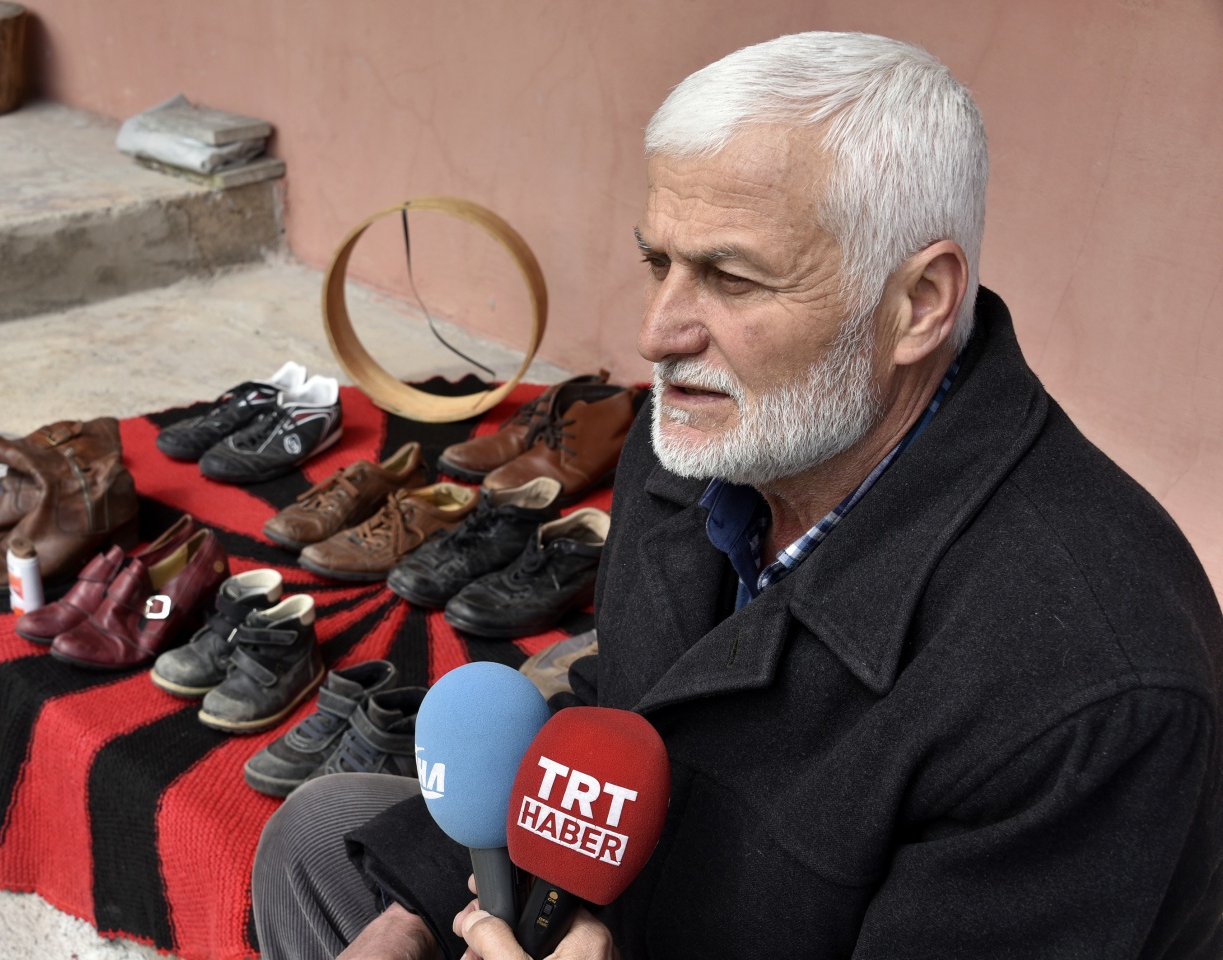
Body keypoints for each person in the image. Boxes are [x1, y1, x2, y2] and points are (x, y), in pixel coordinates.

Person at [253, 31, 1223, 959]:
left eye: (730, 276)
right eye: (658, 261)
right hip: (644, 893)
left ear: (917, 304)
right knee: (320, 842)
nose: (658, 332)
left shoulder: (1092, 685)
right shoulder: (702, 443)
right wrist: (420, 907)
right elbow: (636, 701)